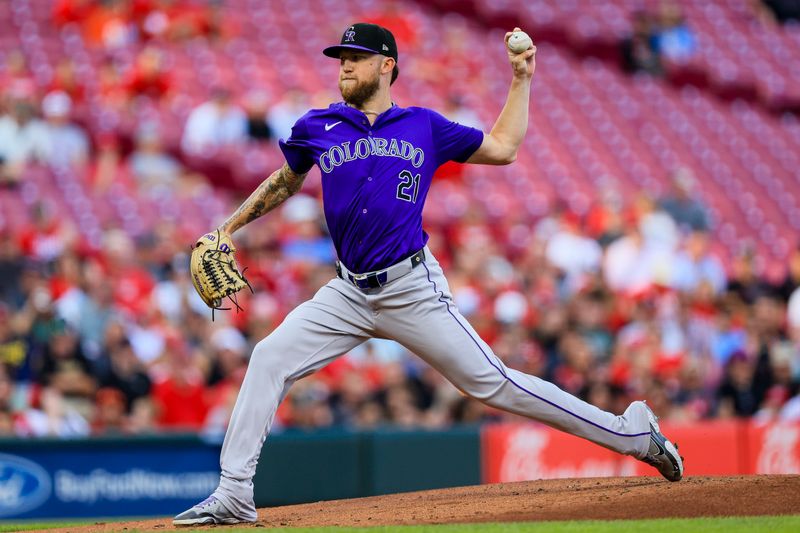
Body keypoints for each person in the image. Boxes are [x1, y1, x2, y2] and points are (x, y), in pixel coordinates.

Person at [174, 23, 684, 526]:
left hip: (411, 287)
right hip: (347, 292)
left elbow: (503, 148)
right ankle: (235, 493)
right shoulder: (318, 125)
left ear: (386, 65)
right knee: (268, 356)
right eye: (340, 57)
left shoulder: (424, 125)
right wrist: (229, 226)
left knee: (494, 384)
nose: (344, 65)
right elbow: (286, 180)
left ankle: (632, 434)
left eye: (355, 56)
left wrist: (521, 78)